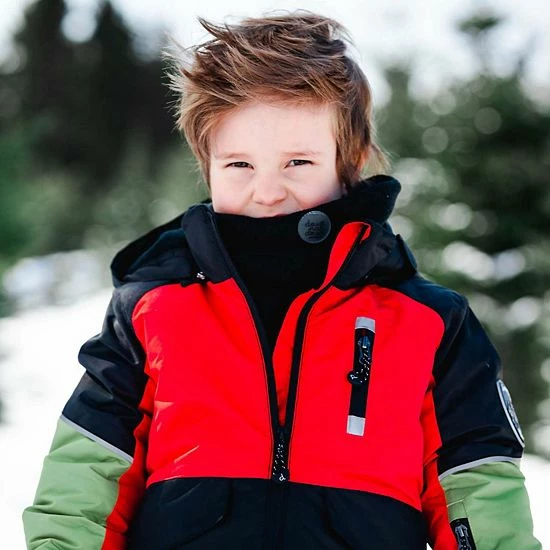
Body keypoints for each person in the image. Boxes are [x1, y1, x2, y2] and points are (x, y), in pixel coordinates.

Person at [23, 12, 540, 550]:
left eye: (297, 162)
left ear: (349, 161)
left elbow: (475, 484)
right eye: (240, 165)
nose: (267, 192)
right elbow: (88, 474)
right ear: (207, 164)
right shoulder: (152, 308)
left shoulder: (429, 322)